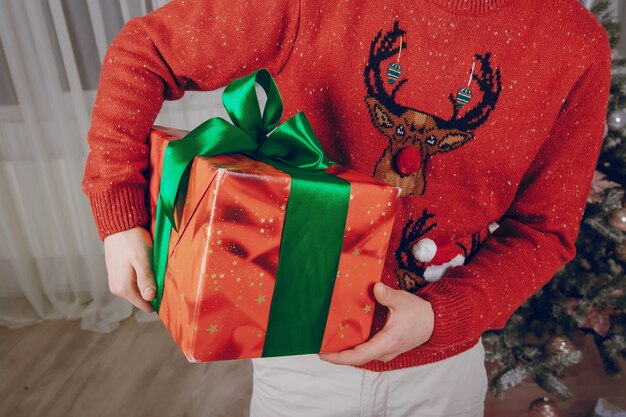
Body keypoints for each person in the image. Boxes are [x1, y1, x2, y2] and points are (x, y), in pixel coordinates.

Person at [82, 0, 612, 415]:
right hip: (295, 354)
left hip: (443, 371)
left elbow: (545, 230)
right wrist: (119, 211)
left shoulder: (575, 45)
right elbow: (146, 52)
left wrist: (440, 317)